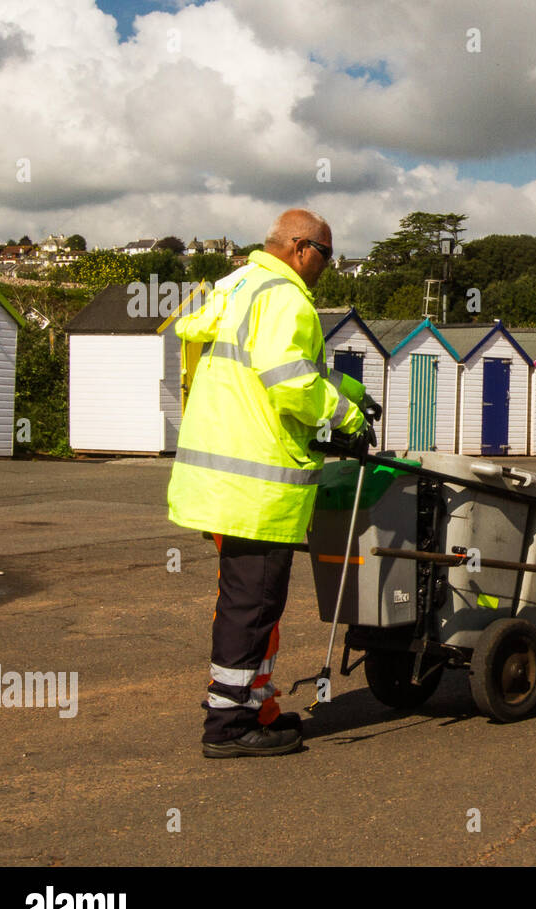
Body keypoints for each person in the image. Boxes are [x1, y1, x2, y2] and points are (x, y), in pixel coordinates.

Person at [167, 209, 372, 758]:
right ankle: (230, 726)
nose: (329, 266)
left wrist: (349, 388)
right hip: (257, 486)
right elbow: (291, 380)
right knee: (252, 605)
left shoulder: (239, 287)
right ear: (302, 248)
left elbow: (287, 366)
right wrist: (347, 420)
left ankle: (252, 706)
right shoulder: (285, 296)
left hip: (219, 478)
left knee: (246, 601)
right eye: (328, 255)